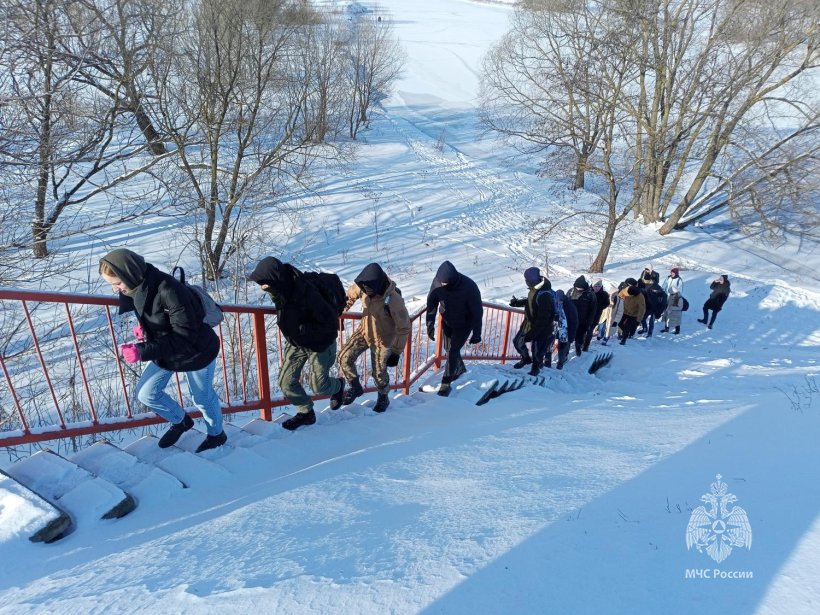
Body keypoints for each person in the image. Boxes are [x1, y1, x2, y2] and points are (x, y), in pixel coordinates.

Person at [99, 249, 226, 453]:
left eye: (117, 283)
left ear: (129, 274)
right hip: (168, 350)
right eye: (111, 284)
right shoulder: (136, 288)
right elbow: (158, 315)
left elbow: (184, 335)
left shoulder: (169, 289)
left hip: (197, 350)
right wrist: (146, 329)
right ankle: (181, 421)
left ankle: (217, 434)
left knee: (201, 397)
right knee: (146, 393)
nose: (115, 290)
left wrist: (142, 351)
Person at [248, 257, 344, 430]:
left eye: (264, 283)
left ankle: (338, 386)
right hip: (298, 342)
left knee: (319, 386)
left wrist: (303, 331)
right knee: (285, 382)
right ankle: (306, 413)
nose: (262, 287)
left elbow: (330, 323)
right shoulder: (280, 290)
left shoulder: (306, 293)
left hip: (320, 343)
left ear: (274, 279)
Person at [337, 263, 411, 413]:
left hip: (383, 341)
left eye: (366, 290)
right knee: (343, 357)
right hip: (365, 331)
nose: (363, 292)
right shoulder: (364, 285)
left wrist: (396, 352)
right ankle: (355, 386)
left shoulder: (394, 300)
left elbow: (404, 328)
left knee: (378, 374)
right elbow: (349, 296)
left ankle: (383, 396)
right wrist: (340, 312)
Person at [426, 261, 483, 396]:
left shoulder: (469, 286)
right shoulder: (437, 282)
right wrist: (429, 324)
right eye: (441, 283)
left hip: (464, 324)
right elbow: (431, 303)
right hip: (447, 320)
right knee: (448, 348)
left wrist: (477, 333)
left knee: (452, 351)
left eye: (446, 284)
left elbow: (477, 311)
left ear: (453, 280)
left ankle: (446, 383)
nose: (443, 286)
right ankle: (459, 369)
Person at [509, 267, 555, 377]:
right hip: (529, 323)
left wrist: (532, 334)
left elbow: (543, 319)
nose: (526, 282)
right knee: (517, 342)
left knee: (537, 350)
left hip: (542, 328)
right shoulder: (535, 288)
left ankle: (536, 368)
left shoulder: (545, 295)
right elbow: (531, 300)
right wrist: (517, 303)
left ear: (533, 280)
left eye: (527, 280)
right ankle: (526, 359)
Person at [567, 276, 597, 356]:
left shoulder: (590, 294)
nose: (579, 289)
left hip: (583, 320)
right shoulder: (570, 291)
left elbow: (593, 309)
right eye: (577, 287)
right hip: (571, 320)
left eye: (581, 288)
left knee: (580, 336)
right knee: (569, 336)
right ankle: (566, 351)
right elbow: (565, 304)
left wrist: (589, 321)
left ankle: (578, 348)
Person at [617, 279, 646, 345]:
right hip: (625, 311)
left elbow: (642, 309)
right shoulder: (625, 291)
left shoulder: (640, 297)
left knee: (627, 326)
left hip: (633, 314)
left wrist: (638, 320)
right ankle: (626, 333)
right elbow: (619, 296)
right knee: (620, 323)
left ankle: (624, 339)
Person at [554, 290, 577, 369]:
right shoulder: (553, 305)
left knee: (563, 345)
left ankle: (561, 361)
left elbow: (574, 322)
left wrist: (571, 335)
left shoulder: (570, 306)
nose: (558, 301)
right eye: (557, 299)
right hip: (554, 329)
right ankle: (547, 361)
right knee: (549, 344)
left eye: (560, 300)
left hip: (565, 330)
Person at [585, 279, 610, 349]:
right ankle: (582, 342)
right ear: (592, 286)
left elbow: (607, 303)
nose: (597, 288)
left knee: (590, 330)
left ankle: (586, 345)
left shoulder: (604, 294)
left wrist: (599, 308)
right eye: (595, 286)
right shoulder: (588, 292)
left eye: (598, 286)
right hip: (586, 315)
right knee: (584, 330)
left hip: (596, 316)